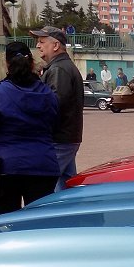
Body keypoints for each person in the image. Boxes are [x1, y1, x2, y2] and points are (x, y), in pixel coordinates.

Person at [0, 41, 60, 215]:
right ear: (32, 63)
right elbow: (55, 124)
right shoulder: (47, 93)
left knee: (6, 221)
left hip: (7, 166)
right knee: (40, 222)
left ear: (7, 64)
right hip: (43, 164)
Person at [31, 25, 84, 191]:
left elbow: (54, 105)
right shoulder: (61, 67)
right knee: (66, 187)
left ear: (55, 45)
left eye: (41, 42)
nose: (38, 46)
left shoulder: (59, 69)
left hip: (59, 139)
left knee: (43, 188)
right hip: (65, 137)